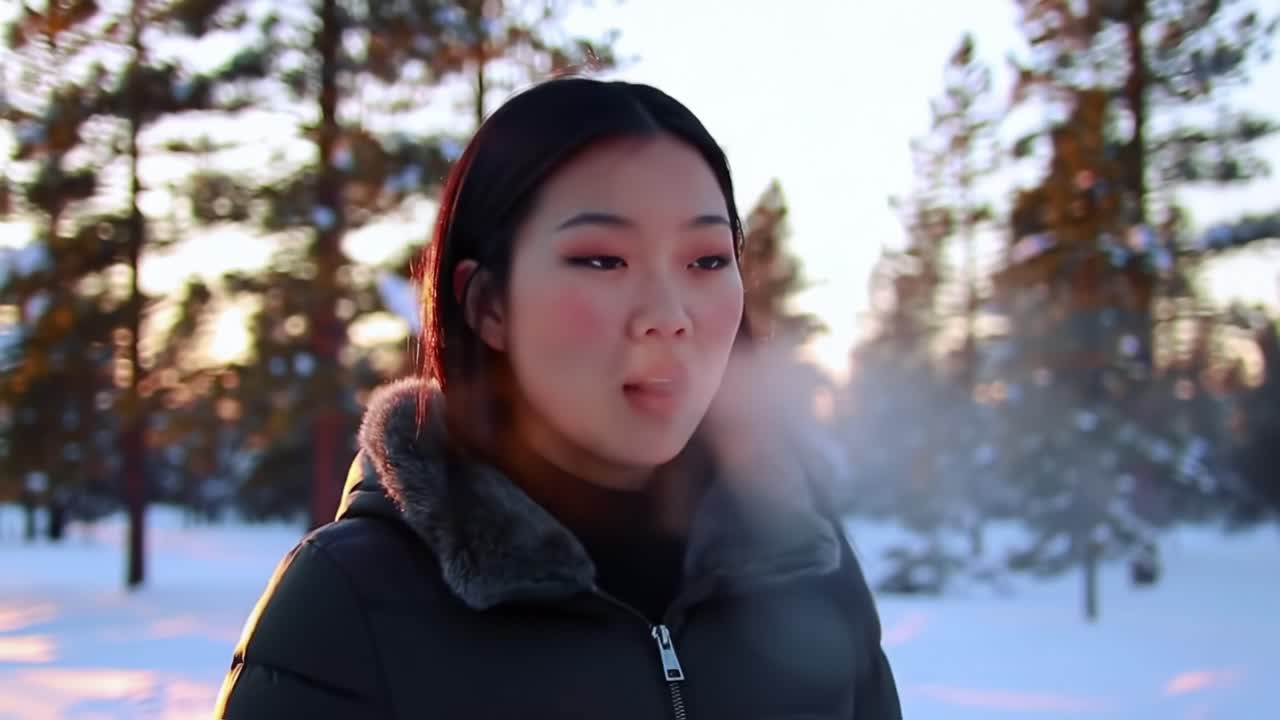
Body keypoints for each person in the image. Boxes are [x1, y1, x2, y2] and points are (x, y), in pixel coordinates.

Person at [214, 75, 902, 719]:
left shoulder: (806, 563)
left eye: (706, 260)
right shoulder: (347, 604)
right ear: (487, 305)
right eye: (603, 259)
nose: (668, 314)